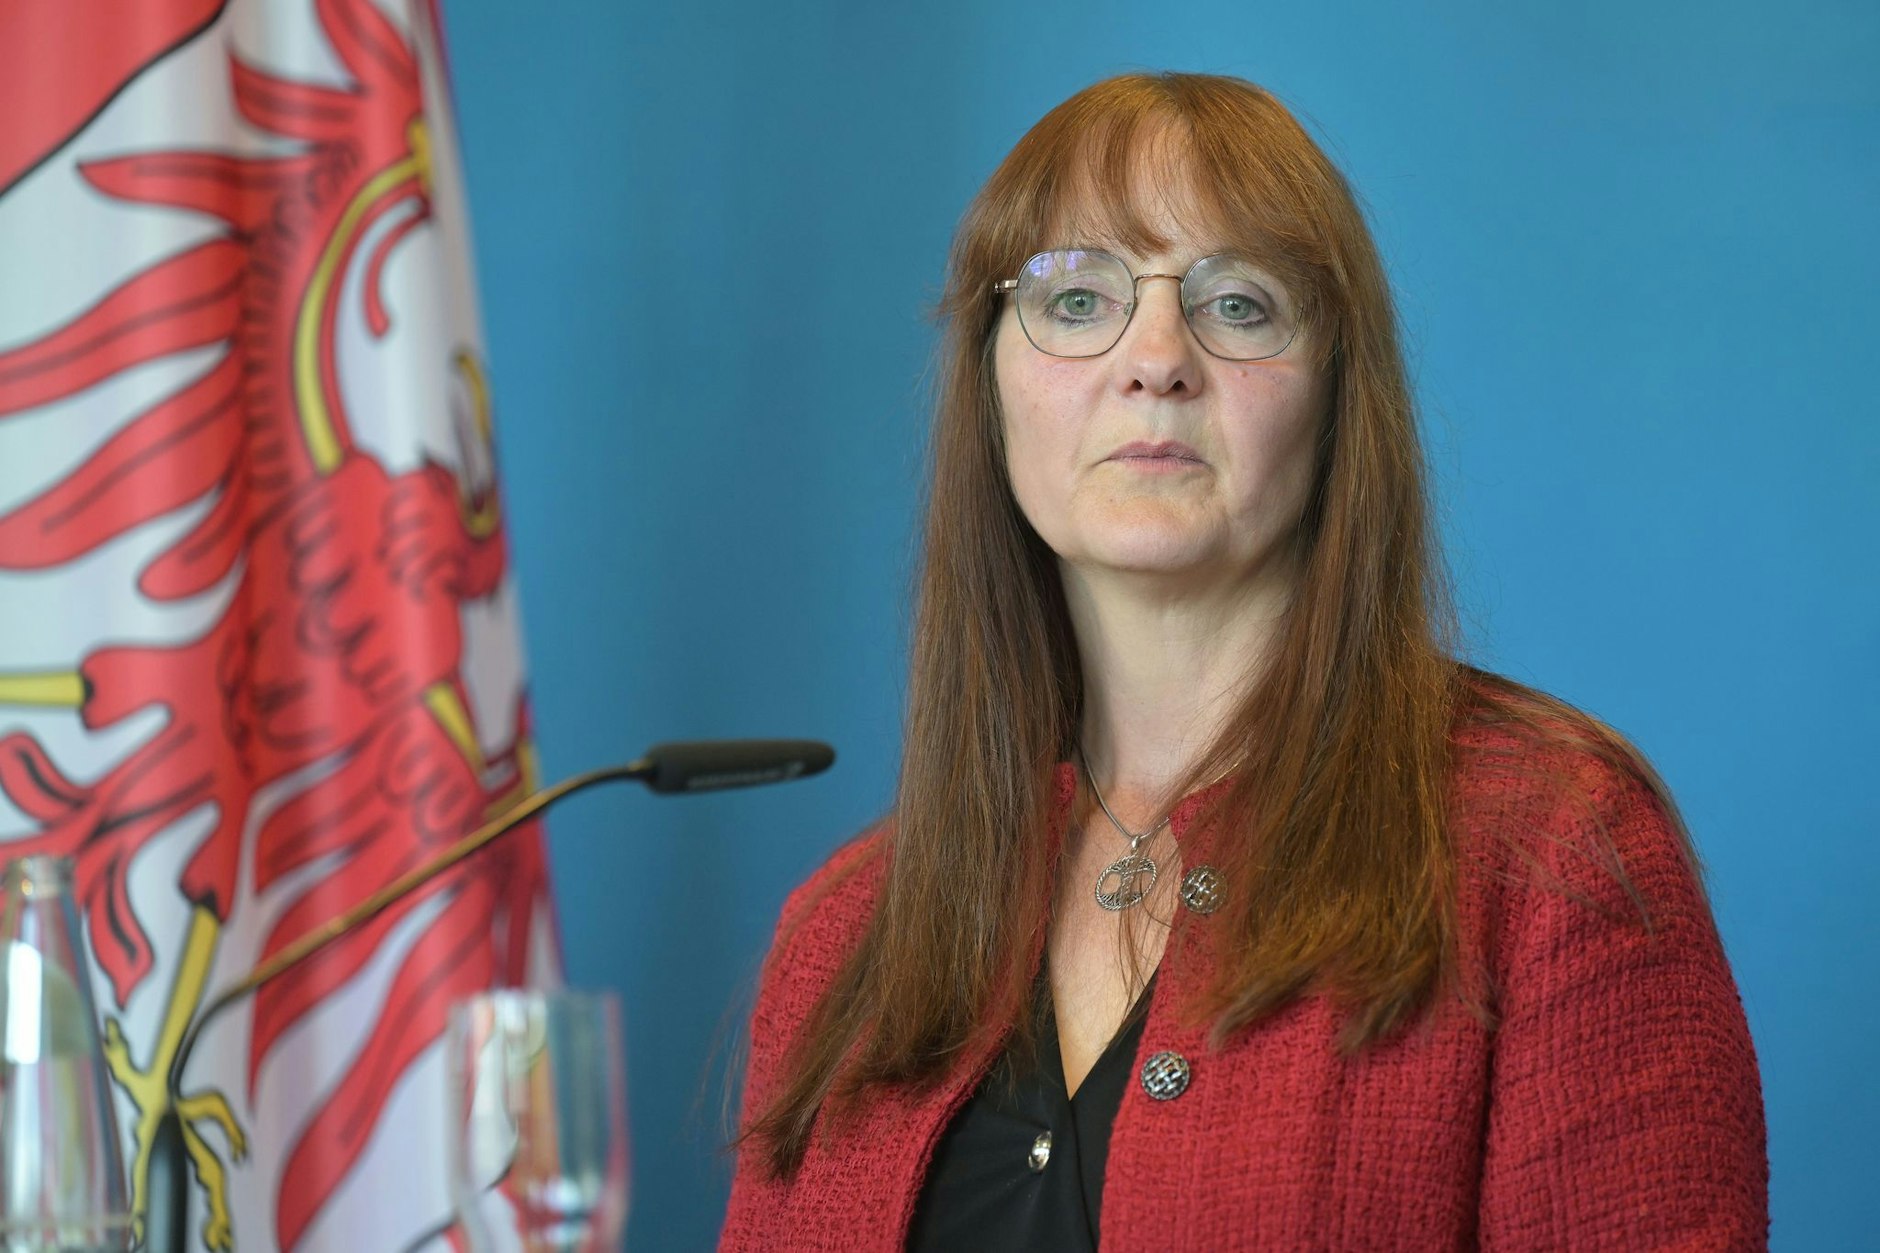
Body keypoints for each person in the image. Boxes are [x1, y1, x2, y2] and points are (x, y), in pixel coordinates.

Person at [720, 72, 1768, 1251]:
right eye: (1076, 300)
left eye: (1237, 304)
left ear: (1335, 398)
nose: (1154, 358)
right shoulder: (842, 934)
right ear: (992, 385)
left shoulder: (1551, 847)